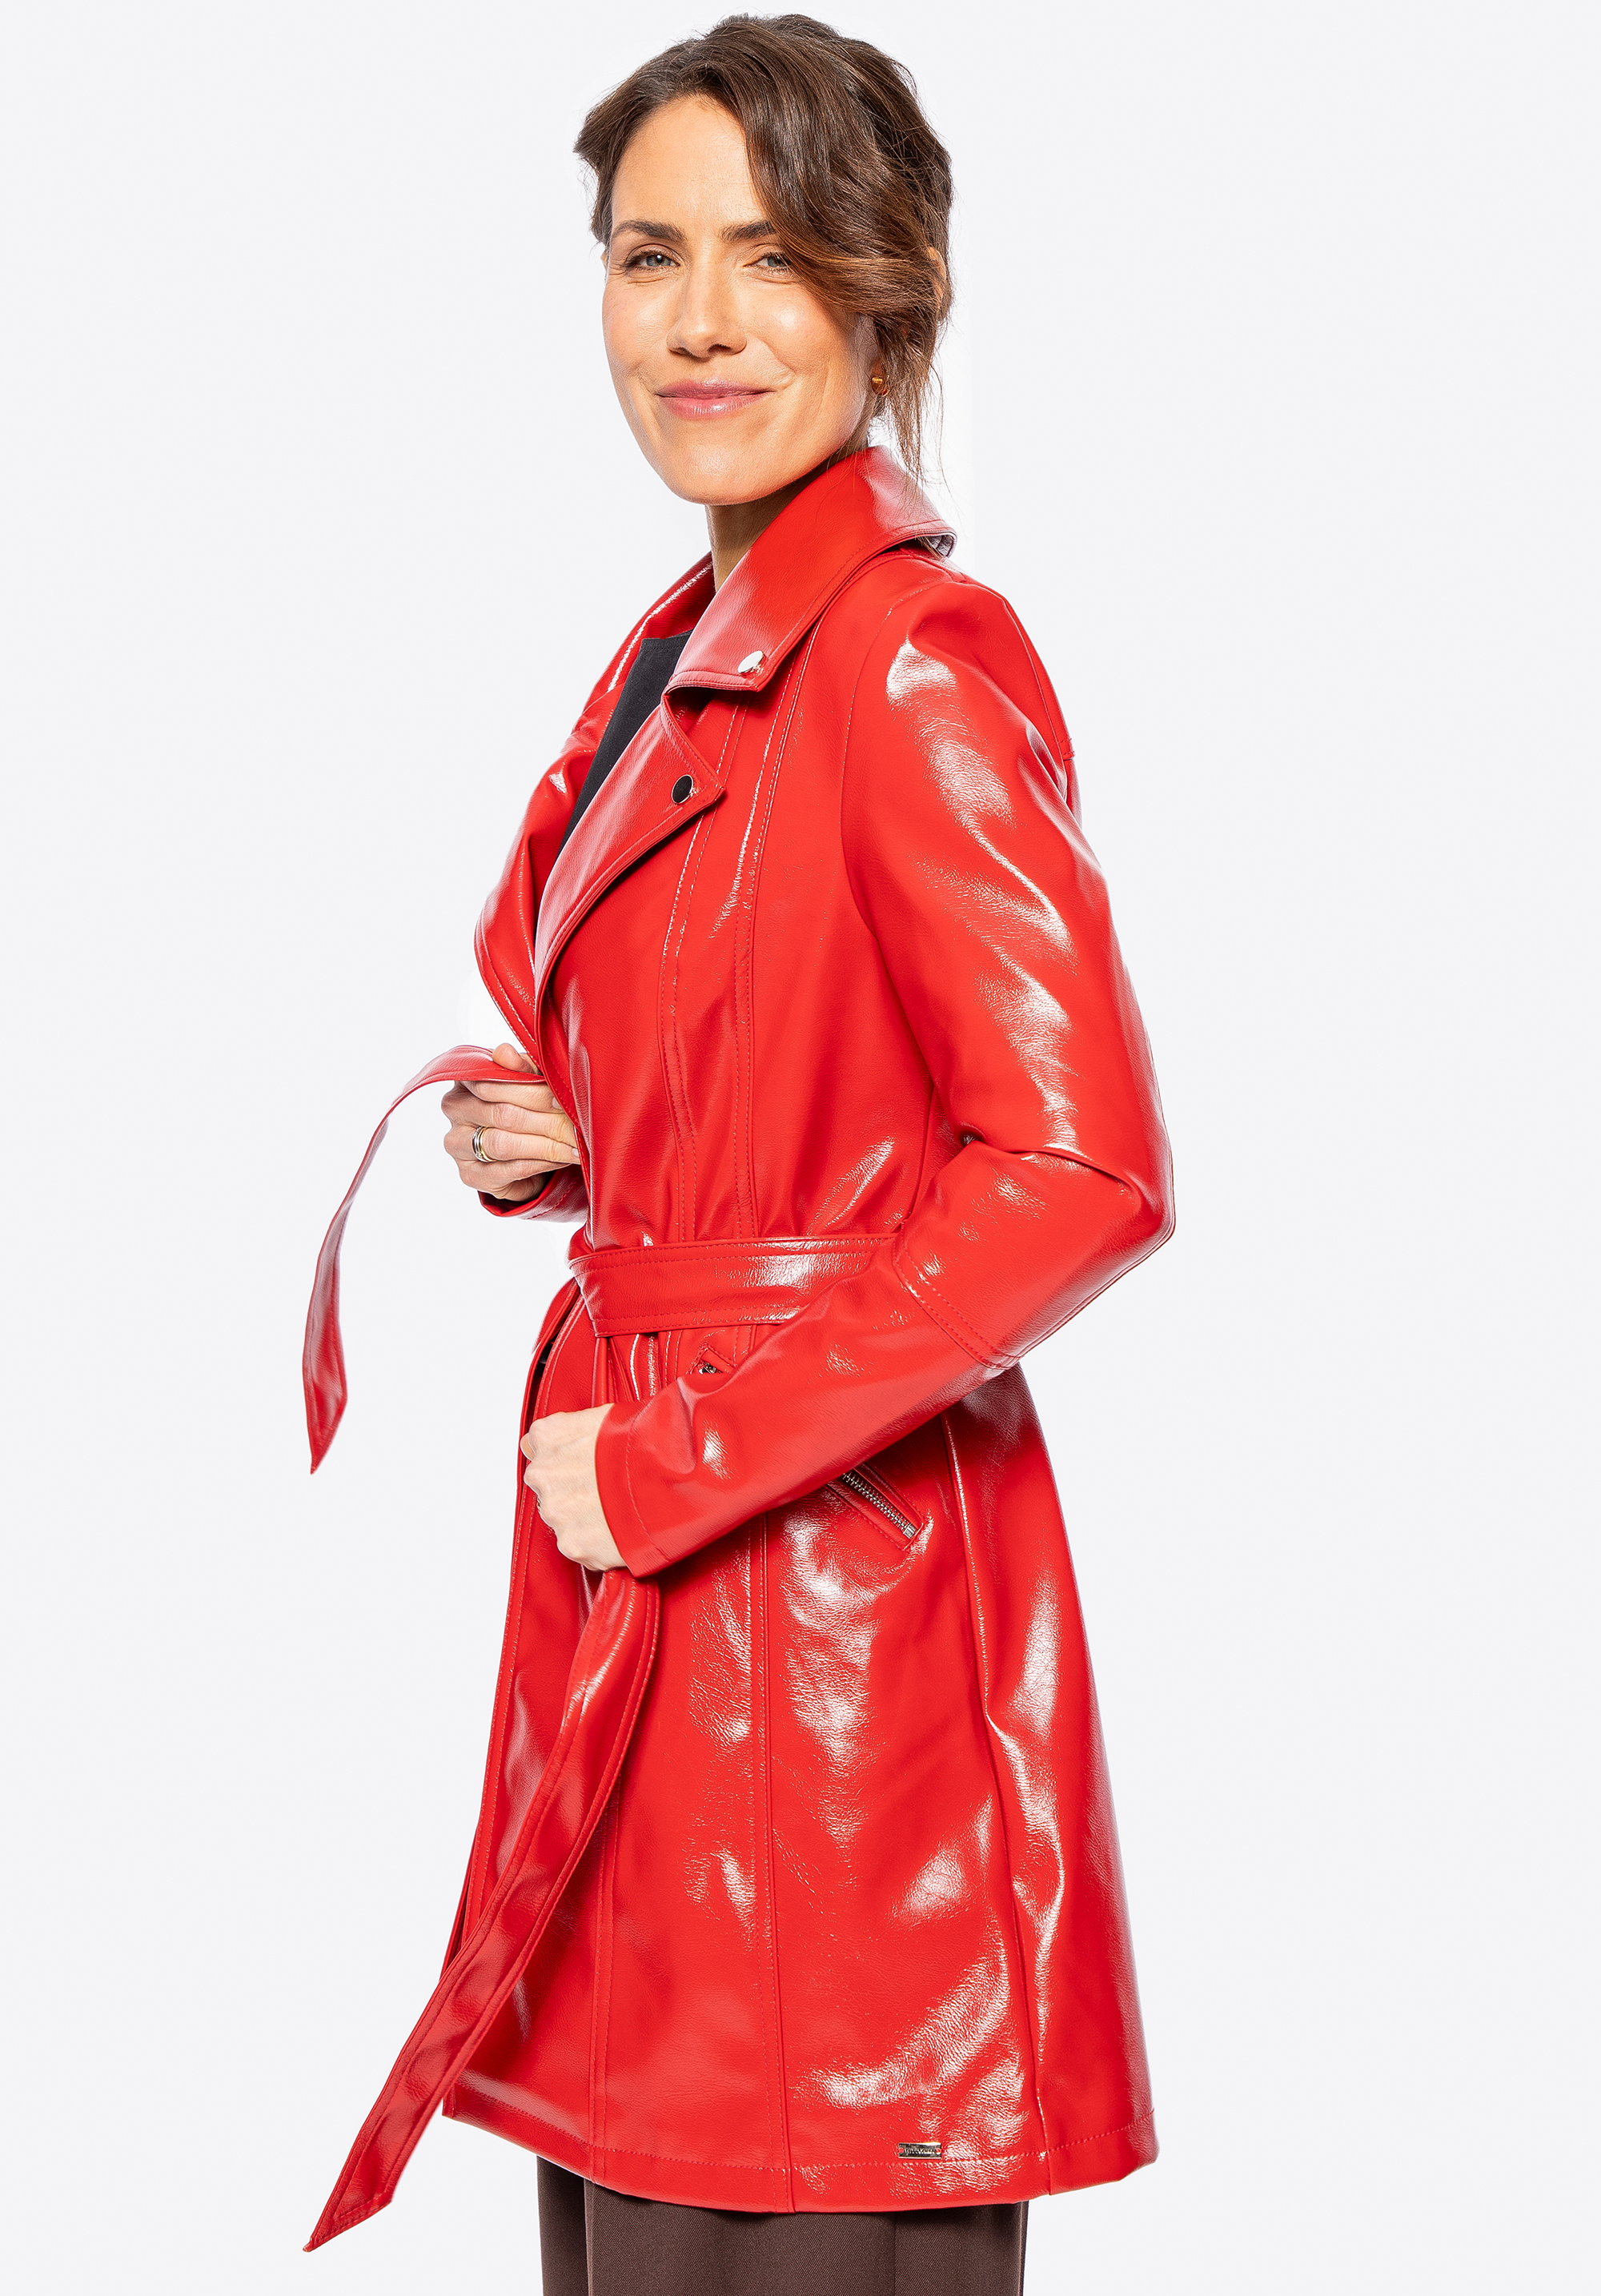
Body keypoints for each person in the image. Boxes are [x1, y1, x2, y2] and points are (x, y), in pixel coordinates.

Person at [303, 18, 1174, 2293]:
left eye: (774, 258)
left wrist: (686, 1456)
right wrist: (582, 1143)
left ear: (893, 299)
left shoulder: (907, 658)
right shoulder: (693, 647)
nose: (700, 320)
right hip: (668, 1631)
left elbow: (1078, 1165)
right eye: (648, 254)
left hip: (823, 1654)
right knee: (637, 2234)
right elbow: (796, 1053)